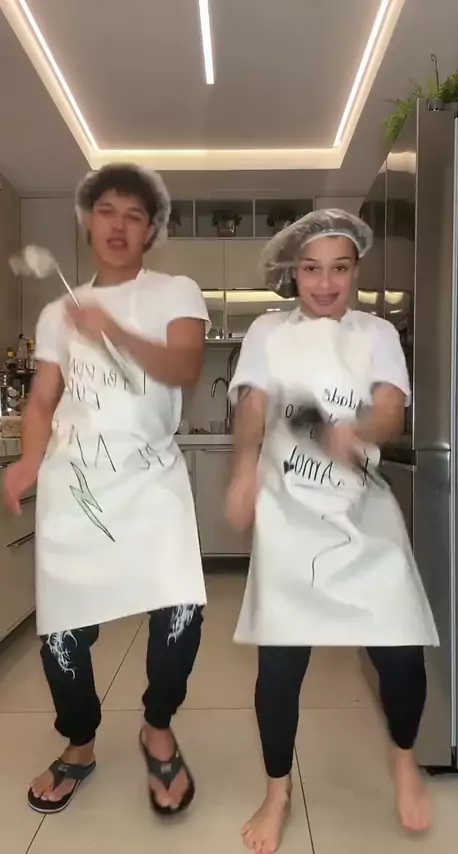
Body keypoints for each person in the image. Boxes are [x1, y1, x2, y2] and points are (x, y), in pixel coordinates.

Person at [226, 209, 439, 854]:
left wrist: (358, 431)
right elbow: (253, 404)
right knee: (279, 668)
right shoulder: (267, 331)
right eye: (312, 269)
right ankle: (277, 792)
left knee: (400, 655)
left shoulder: (377, 332)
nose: (325, 284)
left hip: (362, 512)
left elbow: (391, 408)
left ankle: (403, 756)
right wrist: (243, 472)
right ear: (294, 272)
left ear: (355, 271)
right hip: (289, 514)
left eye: (339, 269)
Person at [4, 164, 210, 817]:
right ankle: (80, 741)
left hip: (151, 481)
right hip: (75, 486)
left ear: (151, 230)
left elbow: (186, 364)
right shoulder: (55, 313)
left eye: (134, 215)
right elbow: (43, 398)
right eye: (106, 211)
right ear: (88, 222)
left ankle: (157, 725)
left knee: (182, 614)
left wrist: (114, 329)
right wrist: (29, 459)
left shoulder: (175, 291)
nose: (118, 225)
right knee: (62, 634)